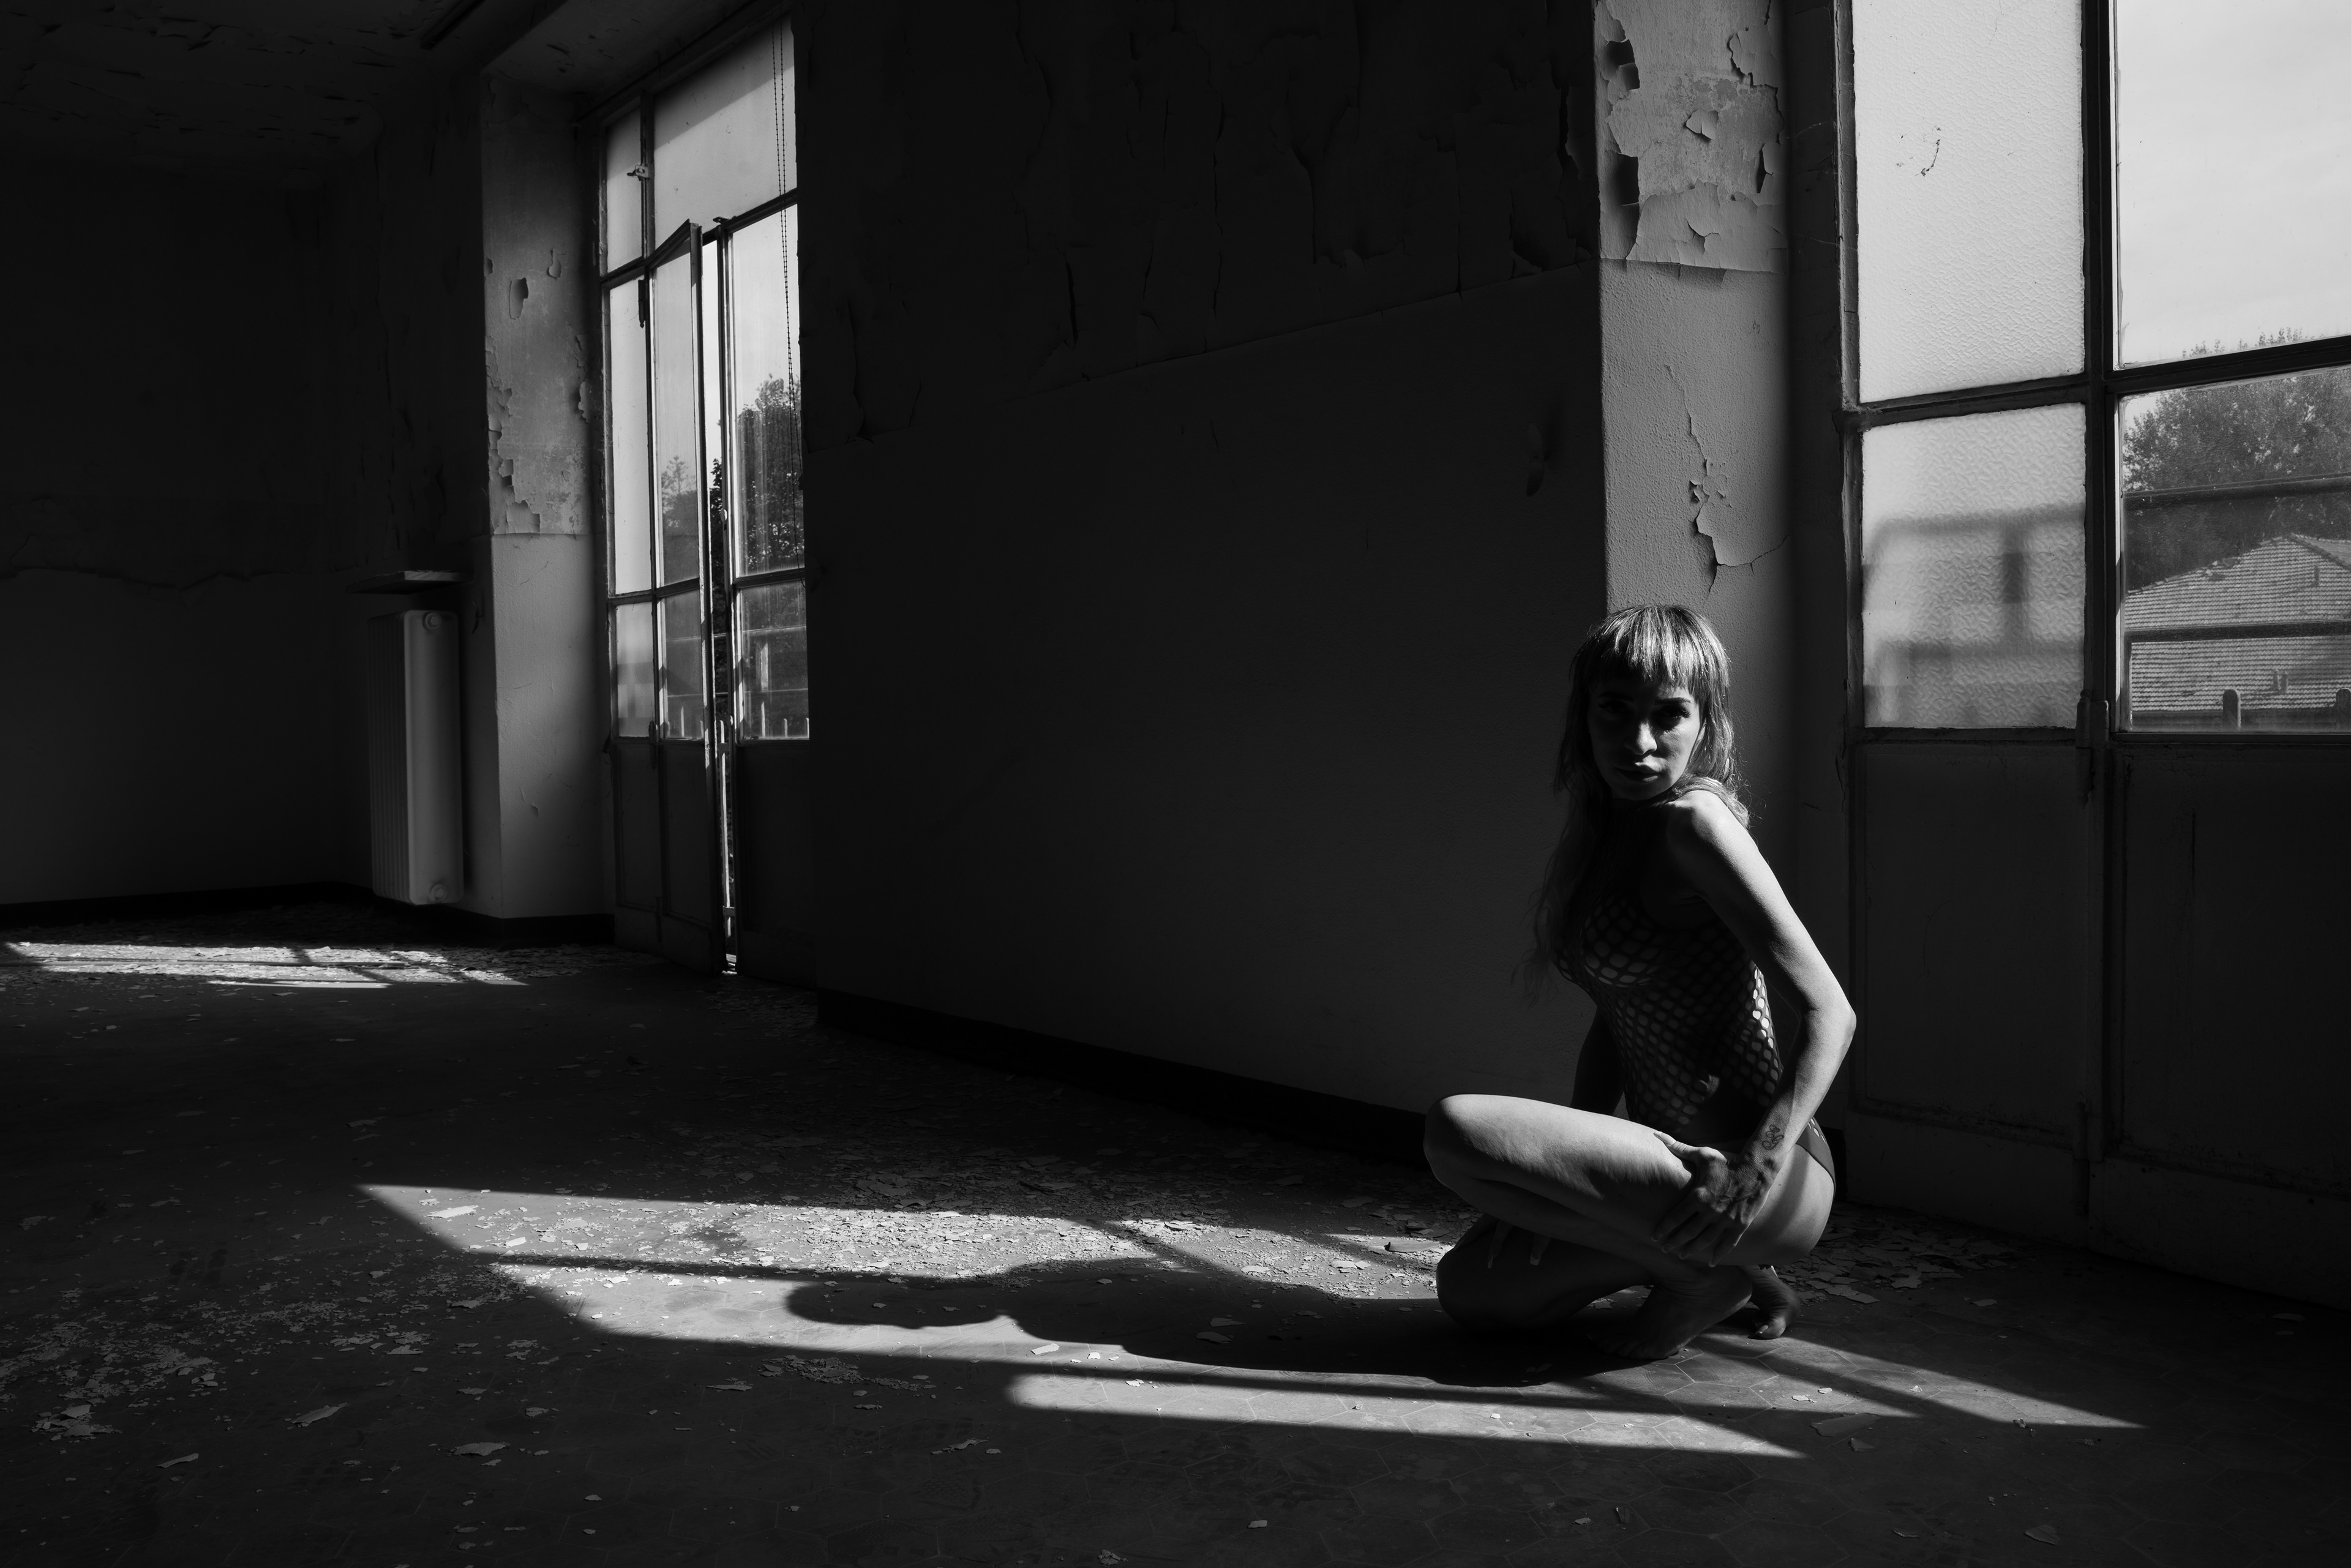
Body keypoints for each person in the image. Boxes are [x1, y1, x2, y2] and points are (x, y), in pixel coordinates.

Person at [1422, 605, 1853, 1359]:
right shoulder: (1610, 826)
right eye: (1616, 710)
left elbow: (1832, 1011)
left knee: (1455, 1129)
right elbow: (1618, 1016)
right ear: (1584, 715)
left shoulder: (1697, 825)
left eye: (1669, 714)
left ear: (1705, 720)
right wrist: (1547, 1183)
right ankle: (1731, 1273)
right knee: (1472, 1291)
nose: (1640, 741)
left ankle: (1706, 1276)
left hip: (1755, 1172)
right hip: (1666, 1170)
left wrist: (1756, 1167)